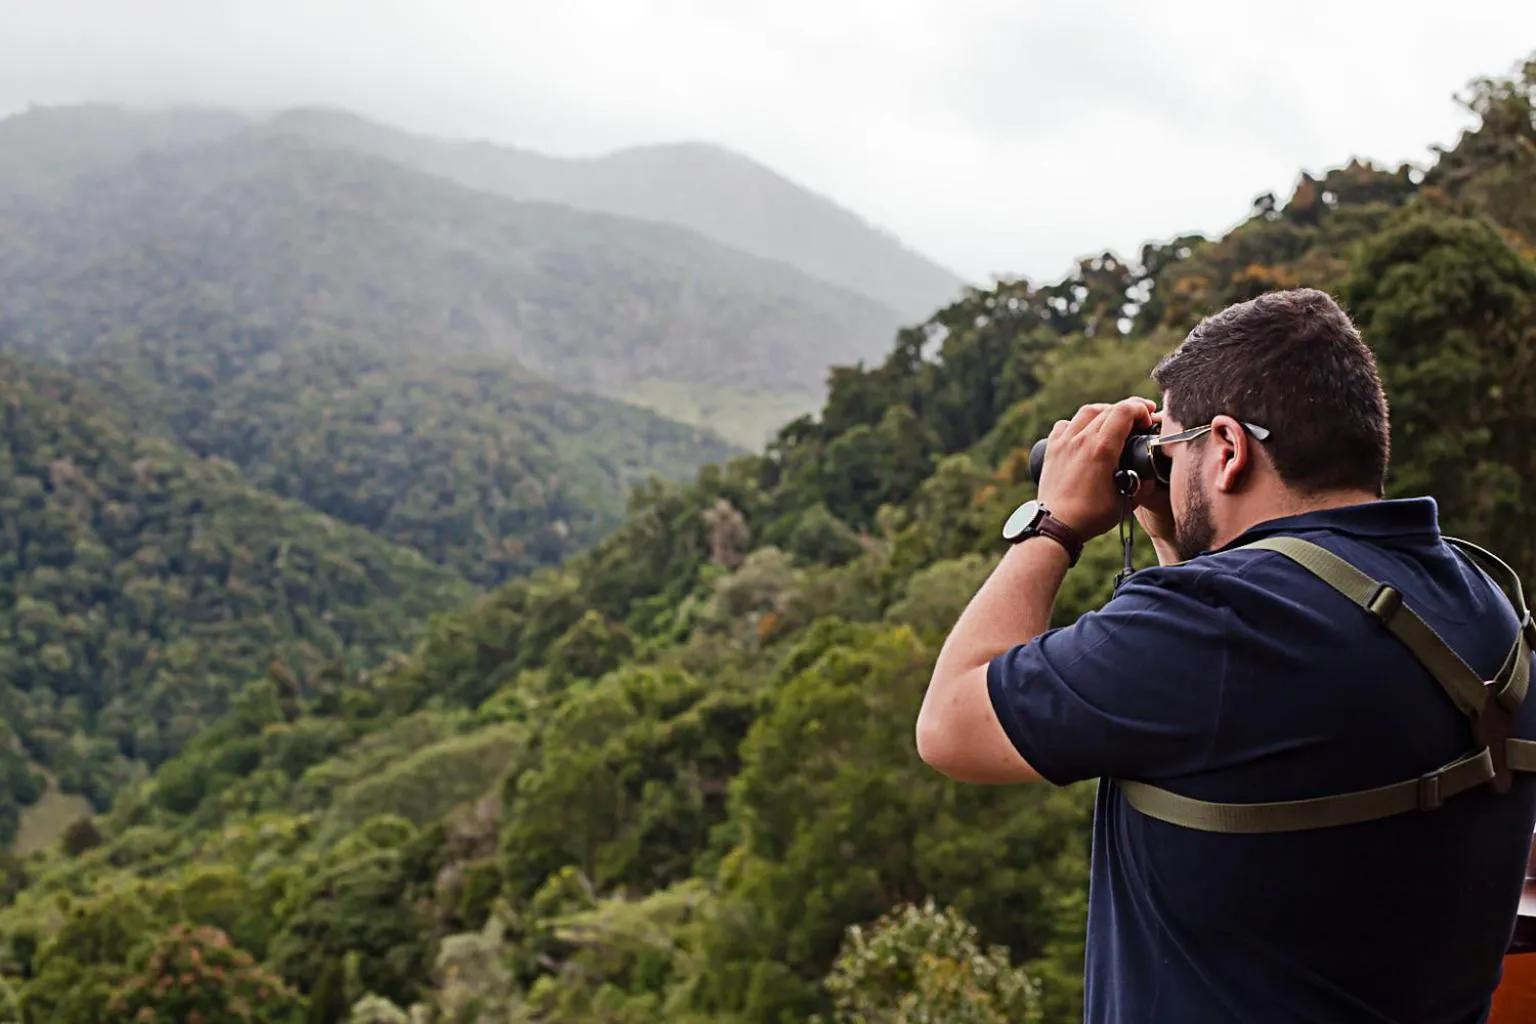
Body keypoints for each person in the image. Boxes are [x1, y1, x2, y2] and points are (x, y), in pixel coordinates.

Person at [915, 287, 1536, 1023]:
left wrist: (1053, 524)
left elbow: (951, 724)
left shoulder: (1219, 624)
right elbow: (1235, 729)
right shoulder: (1484, 599)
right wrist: (1178, 533)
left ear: (1230, 449)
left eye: (1174, 447)